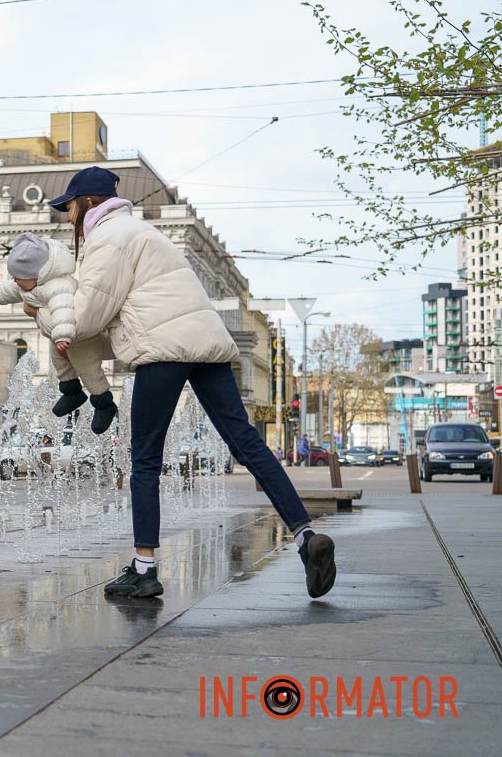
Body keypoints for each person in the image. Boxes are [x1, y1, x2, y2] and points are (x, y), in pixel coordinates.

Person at [33, 167, 335, 600]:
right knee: (246, 443)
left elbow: (82, 319)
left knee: (145, 462)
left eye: (69, 207)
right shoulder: (147, 233)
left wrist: (41, 315)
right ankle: (306, 536)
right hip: (208, 344)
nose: (66, 217)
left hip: (163, 350)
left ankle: (144, 568)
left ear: (89, 204)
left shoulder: (106, 240)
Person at [0, 232, 118, 433]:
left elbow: (64, 311)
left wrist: (63, 335)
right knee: (59, 362)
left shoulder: (59, 285)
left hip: (78, 337)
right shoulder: (28, 283)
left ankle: (104, 404)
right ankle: (72, 391)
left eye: (19, 277)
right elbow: (10, 290)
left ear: (37, 275)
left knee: (88, 369)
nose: (16, 281)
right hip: (57, 335)